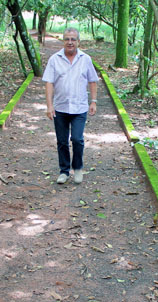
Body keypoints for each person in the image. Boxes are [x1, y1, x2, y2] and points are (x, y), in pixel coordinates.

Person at [42, 27, 99, 184]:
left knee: (77, 139)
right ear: (63, 41)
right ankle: (64, 171)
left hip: (80, 107)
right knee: (62, 141)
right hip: (60, 107)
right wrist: (49, 105)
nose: (70, 42)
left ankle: (78, 168)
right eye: (67, 39)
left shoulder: (86, 59)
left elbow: (92, 81)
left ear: (78, 42)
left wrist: (93, 101)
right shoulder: (54, 59)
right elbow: (49, 83)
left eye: (73, 39)